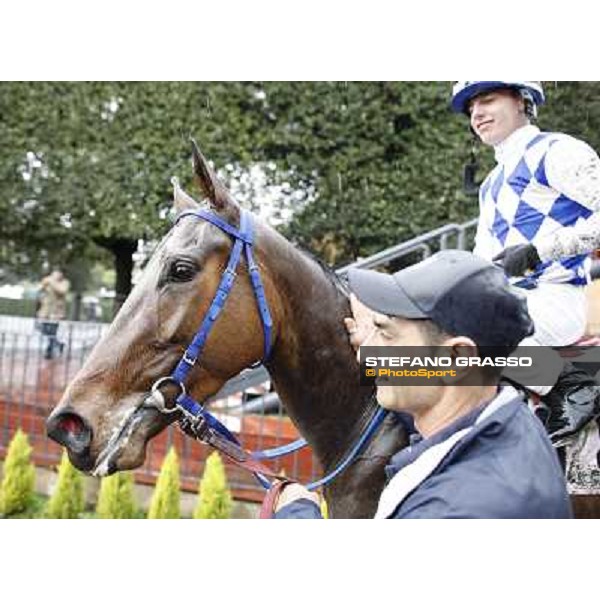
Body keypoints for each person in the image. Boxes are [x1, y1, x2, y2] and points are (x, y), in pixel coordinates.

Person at [273, 251, 572, 518]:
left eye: (387, 334)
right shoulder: (509, 419)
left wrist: (297, 515)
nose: (365, 353)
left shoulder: (457, 509)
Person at [450, 81, 600, 445]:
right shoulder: (489, 184)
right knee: (410, 348)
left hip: (554, 298)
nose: (477, 114)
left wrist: (537, 252)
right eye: (471, 108)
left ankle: (572, 385)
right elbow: (483, 258)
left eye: (487, 100)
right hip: (508, 302)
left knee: (474, 328)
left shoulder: (557, 150)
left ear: (523, 102)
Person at [37, 269, 70, 359]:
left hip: (56, 313)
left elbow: (62, 291)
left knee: (52, 331)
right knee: (42, 329)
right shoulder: (48, 282)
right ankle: (59, 345)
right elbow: (40, 288)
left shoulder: (64, 283)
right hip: (45, 311)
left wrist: (51, 281)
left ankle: (49, 352)